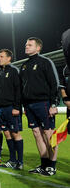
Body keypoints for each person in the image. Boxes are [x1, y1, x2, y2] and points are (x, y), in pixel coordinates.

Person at [20, 37, 60, 176]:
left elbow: (54, 83)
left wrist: (54, 104)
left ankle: (52, 166)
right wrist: (24, 105)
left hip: (43, 103)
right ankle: (44, 164)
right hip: (29, 105)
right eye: (26, 44)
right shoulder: (24, 66)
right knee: (37, 134)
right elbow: (22, 88)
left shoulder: (45, 62)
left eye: (30, 45)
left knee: (48, 135)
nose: (26, 46)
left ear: (38, 48)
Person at [0, 49, 23, 170]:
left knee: (15, 133)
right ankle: (12, 160)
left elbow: (18, 90)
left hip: (11, 108)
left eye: (1, 56)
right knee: (7, 133)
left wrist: (16, 107)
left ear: (9, 58)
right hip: (0, 109)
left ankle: (20, 162)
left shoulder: (14, 71)